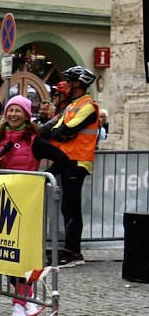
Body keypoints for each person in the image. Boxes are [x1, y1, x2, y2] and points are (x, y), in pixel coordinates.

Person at [0, 95, 72, 316]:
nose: (13, 114)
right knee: (7, 254)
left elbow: (63, 160)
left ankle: (21, 302)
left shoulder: (34, 140)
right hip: (4, 204)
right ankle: (25, 299)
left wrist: (44, 179)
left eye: (18, 111)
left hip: (28, 204)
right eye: (10, 110)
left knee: (25, 255)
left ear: (26, 115)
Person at [49, 65, 100, 268]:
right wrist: (62, 132)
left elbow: (68, 129)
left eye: (69, 81)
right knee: (67, 206)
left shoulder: (88, 105)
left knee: (71, 207)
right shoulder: (72, 106)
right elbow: (55, 131)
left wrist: (63, 132)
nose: (67, 85)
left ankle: (73, 252)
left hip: (79, 161)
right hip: (67, 159)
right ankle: (72, 250)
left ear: (78, 83)